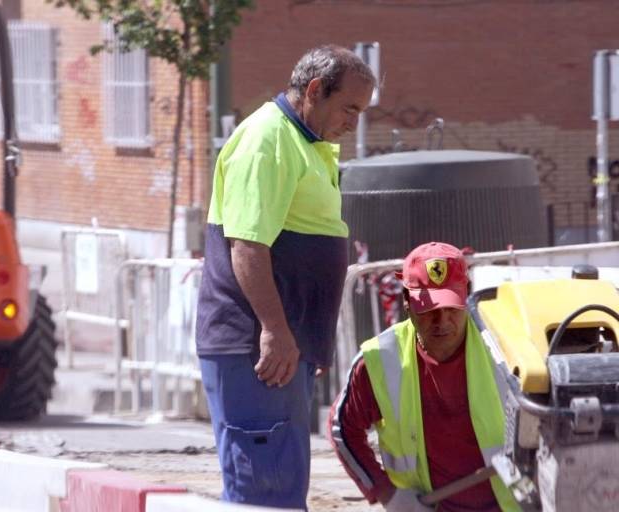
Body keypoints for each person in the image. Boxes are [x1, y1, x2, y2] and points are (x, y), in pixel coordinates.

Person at [195, 45, 376, 510]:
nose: (354, 123)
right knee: (263, 492)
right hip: (255, 349)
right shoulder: (268, 141)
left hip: (282, 350)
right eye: (349, 108)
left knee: (280, 488)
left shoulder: (308, 144)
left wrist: (306, 340)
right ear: (315, 91)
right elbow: (247, 247)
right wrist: (276, 332)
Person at [328, 242, 520, 512]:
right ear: (406, 301)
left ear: (467, 296)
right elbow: (343, 427)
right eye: (429, 309)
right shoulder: (381, 360)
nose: (442, 321)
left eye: (451, 307)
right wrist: (387, 493)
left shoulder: (506, 347)